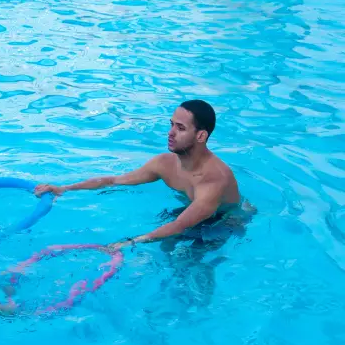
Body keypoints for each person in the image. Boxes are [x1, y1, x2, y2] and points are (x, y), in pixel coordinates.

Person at [35, 100, 254, 250]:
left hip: (225, 221)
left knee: (189, 261)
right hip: (191, 210)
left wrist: (127, 243)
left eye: (180, 128)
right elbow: (113, 181)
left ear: (201, 136)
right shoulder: (164, 163)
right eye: (171, 125)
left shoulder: (213, 179)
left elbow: (180, 225)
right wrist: (64, 188)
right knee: (166, 244)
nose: (170, 133)